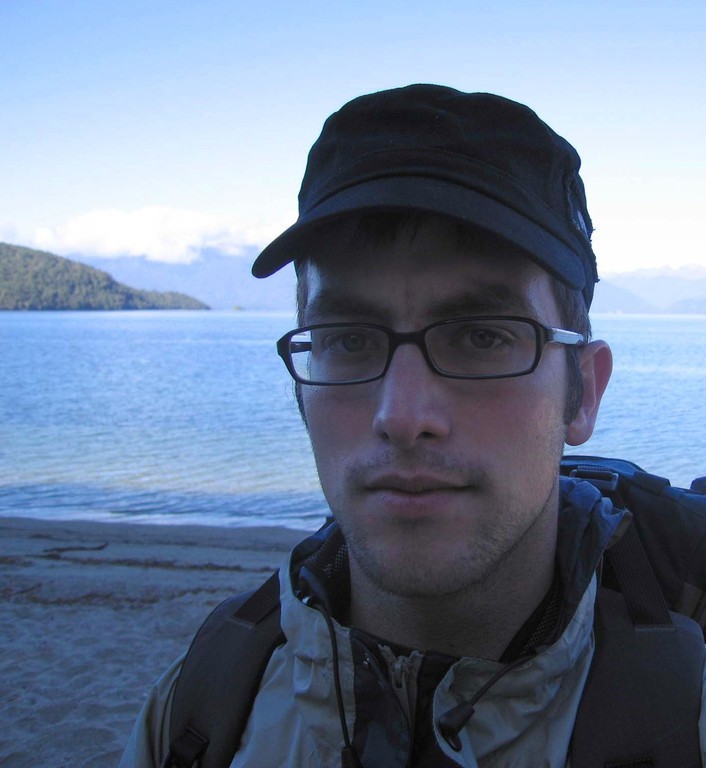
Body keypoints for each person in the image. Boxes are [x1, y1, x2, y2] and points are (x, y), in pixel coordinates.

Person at [120, 85, 706, 767]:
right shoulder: (202, 711)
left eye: (483, 338)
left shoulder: (683, 714)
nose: (401, 416)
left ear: (583, 393)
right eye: (346, 339)